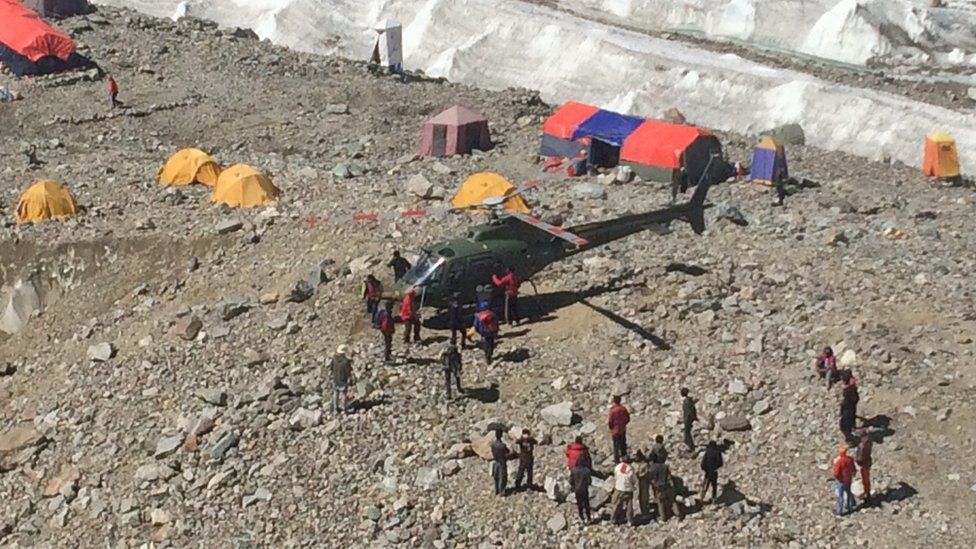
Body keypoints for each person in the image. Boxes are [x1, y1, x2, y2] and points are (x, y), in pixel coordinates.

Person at [648, 452, 683, 522]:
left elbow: (651, 479)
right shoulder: (665, 466)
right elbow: (669, 477)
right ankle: (678, 514)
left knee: (660, 503)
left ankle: (663, 517)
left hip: (659, 488)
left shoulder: (652, 469)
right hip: (667, 486)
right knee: (672, 501)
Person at [611, 456, 636, 526]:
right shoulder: (630, 469)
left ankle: (614, 519)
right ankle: (630, 520)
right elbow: (633, 479)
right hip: (628, 489)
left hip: (619, 488)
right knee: (629, 506)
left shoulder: (618, 467)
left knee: (616, 504)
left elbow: (615, 476)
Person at [833, 444, 856, 515]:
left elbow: (836, 473)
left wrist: (837, 478)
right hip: (848, 479)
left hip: (841, 481)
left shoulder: (839, 462)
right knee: (848, 493)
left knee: (840, 496)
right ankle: (850, 507)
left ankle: (839, 511)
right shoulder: (850, 459)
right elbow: (853, 469)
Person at [330, 345, 353, 414]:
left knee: (335, 394)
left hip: (335, 379)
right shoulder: (346, 361)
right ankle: (344, 409)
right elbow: (348, 372)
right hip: (343, 380)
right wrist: (350, 378)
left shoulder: (334, 359)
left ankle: (335, 409)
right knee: (343, 395)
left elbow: (331, 368)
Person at [608, 395, 631, 463]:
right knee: (623, 444)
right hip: (622, 429)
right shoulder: (623, 409)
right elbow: (628, 418)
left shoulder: (613, 410)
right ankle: (625, 458)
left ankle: (617, 460)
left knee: (616, 446)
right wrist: (623, 424)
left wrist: (611, 427)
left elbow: (610, 421)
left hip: (615, 431)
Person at [570, 458, 592, 524]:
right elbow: (589, 481)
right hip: (584, 489)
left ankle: (581, 516)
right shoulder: (587, 471)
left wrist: (573, 486)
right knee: (586, 504)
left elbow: (571, 481)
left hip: (577, 490)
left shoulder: (573, 470)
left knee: (579, 504)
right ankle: (588, 517)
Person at [855, 429, 873, 502]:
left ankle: (867, 495)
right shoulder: (869, 441)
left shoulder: (862, 445)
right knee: (867, 479)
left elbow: (859, 458)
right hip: (868, 461)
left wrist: (857, 462)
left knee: (865, 479)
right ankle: (867, 492)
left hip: (863, 464)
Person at [490, 430, 509, 497]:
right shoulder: (502, 445)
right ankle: (502, 491)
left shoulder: (493, 445)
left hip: (495, 461)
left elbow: (492, 452)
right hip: (502, 462)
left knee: (496, 477)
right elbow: (507, 452)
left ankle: (496, 490)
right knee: (502, 476)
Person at [633, 450, 651, 517]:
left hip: (644, 482)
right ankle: (643, 511)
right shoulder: (639, 464)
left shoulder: (645, 465)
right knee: (640, 497)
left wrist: (638, 474)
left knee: (644, 497)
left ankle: (646, 512)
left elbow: (646, 473)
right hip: (640, 482)